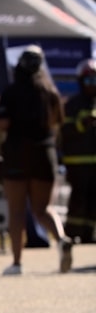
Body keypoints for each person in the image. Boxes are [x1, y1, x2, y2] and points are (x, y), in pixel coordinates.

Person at [0, 45, 73, 274]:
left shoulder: (11, 91)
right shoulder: (50, 92)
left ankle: (17, 263)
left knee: (17, 211)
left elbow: (2, 123)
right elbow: (58, 122)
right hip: (44, 154)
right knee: (43, 209)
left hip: (18, 153)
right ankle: (61, 240)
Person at [59, 58, 96, 243]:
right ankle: (72, 233)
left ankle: (89, 234)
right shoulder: (72, 105)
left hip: (94, 162)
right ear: (81, 82)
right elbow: (65, 132)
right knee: (78, 199)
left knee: (93, 200)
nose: (92, 85)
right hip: (77, 162)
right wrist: (83, 124)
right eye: (89, 81)